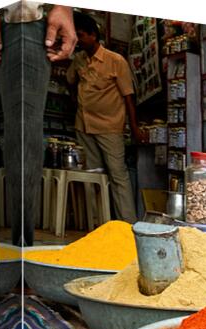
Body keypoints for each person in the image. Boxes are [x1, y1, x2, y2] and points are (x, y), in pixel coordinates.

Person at [0, 2, 76, 246]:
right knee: (16, 132)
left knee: (26, 129)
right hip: (5, 20)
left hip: (35, 21)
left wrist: (65, 6)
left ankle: (23, 247)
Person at [66, 12, 145, 224]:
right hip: (84, 125)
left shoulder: (115, 61)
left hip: (110, 127)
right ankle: (96, 223)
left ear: (93, 35)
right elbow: (70, 81)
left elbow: (129, 97)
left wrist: (135, 128)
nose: (78, 40)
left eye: (81, 35)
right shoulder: (79, 60)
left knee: (118, 176)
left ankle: (127, 225)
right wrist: (76, 101)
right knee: (92, 175)